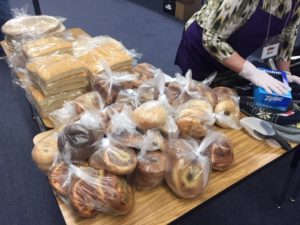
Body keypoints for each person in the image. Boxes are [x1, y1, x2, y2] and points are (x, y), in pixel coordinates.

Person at [175, 0, 300, 95]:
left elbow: (289, 35)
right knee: (194, 96)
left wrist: (284, 74)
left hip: (236, 51)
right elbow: (211, 39)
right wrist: (253, 73)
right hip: (201, 48)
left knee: (222, 95)